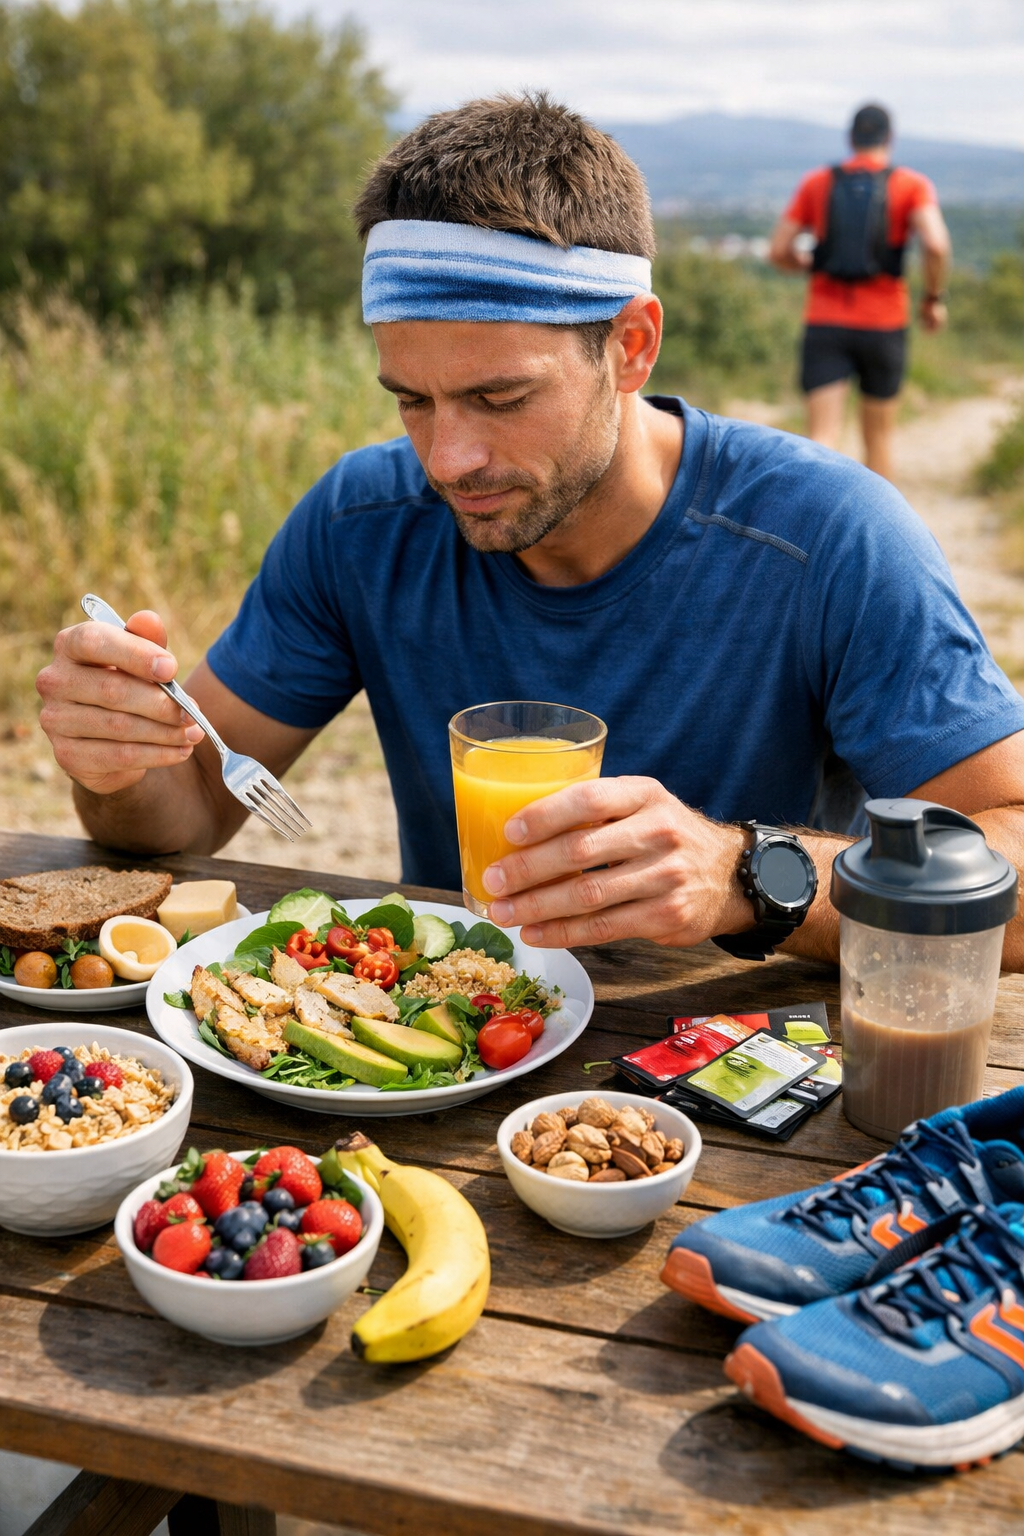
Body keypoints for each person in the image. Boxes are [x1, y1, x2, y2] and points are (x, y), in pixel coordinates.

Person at [35, 94, 1024, 969]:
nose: (447, 459)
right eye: (411, 400)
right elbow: (196, 814)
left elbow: (1010, 854)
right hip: (462, 1056)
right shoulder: (359, 523)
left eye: (498, 395)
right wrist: (119, 767)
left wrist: (748, 875)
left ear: (630, 346)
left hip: (749, 1083)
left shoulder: (830, 538)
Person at [769, 103, 951, 481]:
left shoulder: (817, 183)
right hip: (885, 324)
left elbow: (778, 250)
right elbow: (935, 245)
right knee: (879, 439)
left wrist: (809, 265)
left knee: (822, 438)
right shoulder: (911, 185)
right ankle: (878, 533)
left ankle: (814, 531)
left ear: (851, 138)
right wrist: (933, 299)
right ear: (890, 138)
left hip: (825, 321)